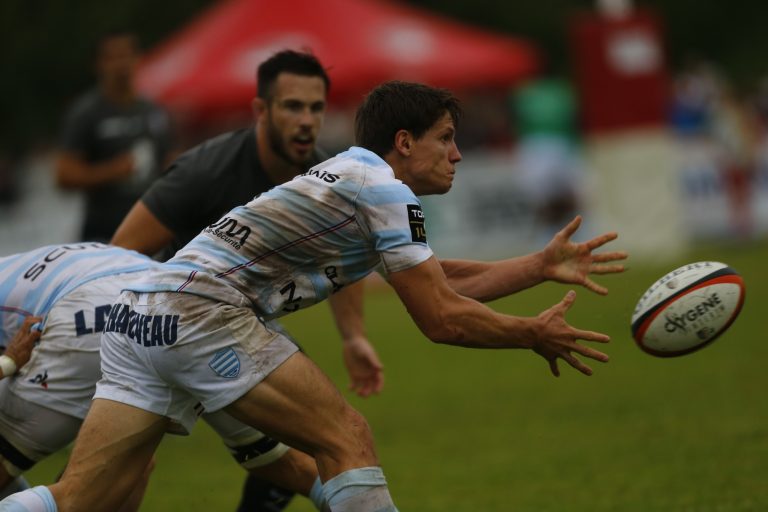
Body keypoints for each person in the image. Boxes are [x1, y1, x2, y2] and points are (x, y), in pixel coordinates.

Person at [0, 80, 627, 512]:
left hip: (143, 315)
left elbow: (437, 281)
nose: (458, 154)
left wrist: (538, 265)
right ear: (404, 142)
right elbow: (441, 320)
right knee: (344, 439)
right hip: (200, 313)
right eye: (444, 138)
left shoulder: (357, 177)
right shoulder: (382, 189)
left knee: (81, 498)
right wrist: (530, 333)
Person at [111, 50, 381, 511]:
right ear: (261, 110)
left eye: (316, 108)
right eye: (293, 106)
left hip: (235, 333)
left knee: (296, 452)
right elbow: (121, 253)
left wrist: (353, 336)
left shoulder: (322, 179)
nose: (307, 121)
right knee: (115, 476)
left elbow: (345, 256)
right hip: (160, 331)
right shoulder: (205, 171)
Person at [0, 243, 333, 511]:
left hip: (91, 318)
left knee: (67, 486)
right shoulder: (18, 264)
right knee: (286, 463)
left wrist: (8, 365)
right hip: (180, 301)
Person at [54, 30, 175, 242]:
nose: (121, 64)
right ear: (98, 64)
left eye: (127, 55)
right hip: (103, 232)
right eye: (113, 57)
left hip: (150, 227)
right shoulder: (86, 112)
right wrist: (112, 171)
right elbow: (64, 175)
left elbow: (171, 160)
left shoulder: (153, 110)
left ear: (139, 58)